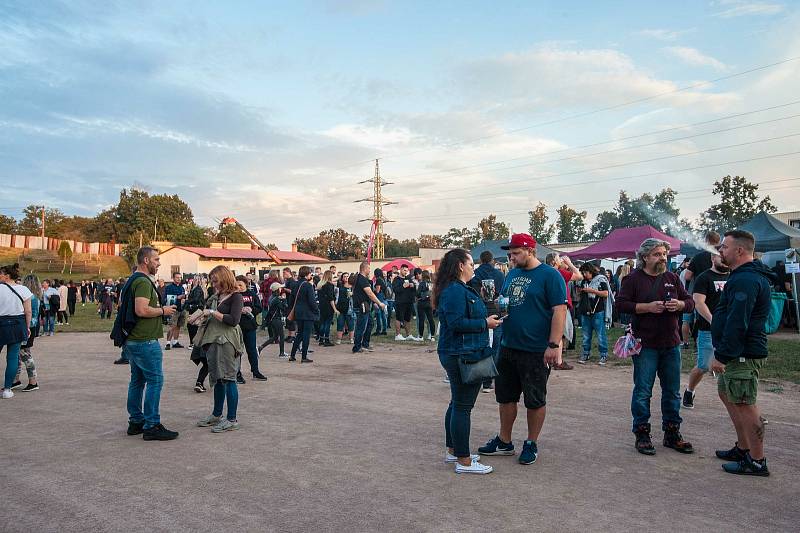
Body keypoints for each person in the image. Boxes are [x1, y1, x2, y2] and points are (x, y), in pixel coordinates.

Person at [478, 234, 567, 466]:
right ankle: (504, 441)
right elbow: (507, 302)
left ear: (530, 250)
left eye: (516, 252)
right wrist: (497, 304)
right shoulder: (512, 274)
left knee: (534, 399)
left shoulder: (550, 275)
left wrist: (554, 345)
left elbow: (559, 310)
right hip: (509, 345)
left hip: (535, 349)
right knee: (505, 397)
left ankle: (531, 442)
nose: (512, 257)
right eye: (510, 253)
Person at [615, 238, 695, 456]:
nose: (662, 258)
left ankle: (672, 433)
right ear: (645, 257)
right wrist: (646, 307)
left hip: (671, 343)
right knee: (643, 391)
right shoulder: (633, 279)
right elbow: (620, 305)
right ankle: (642, 434)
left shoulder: (671, 278)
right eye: (658, 254)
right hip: (645, 344)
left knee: (672, 392)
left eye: (664, 254)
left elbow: (690, 302)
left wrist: (679, 304)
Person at [710, 230, 774, 476]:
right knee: (728, 394)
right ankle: (743, 448)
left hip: (743, 353)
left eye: (724, 247)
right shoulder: (741, 276)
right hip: (736, 352)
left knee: (745, 402)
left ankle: (757, 461)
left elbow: (739, 321)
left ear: (739, 250)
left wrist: (722, 355)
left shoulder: (746, 279)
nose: (720, 251)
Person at [435, 249, 502, 474]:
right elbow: (456, 323)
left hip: (461, 351)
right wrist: (485, 323)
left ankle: (454, 451)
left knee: (457, 404)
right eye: (470, 263)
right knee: (463, 407)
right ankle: (463, 460)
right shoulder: (455, 290)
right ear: (460, 266)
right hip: (461, 354)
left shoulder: (457, 288)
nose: (474, 266)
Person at [120, 247, 179, 440]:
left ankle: (136, 421)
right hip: (144, 340)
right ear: (146, 260)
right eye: (156, 259)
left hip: (133, 340)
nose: (159, 263)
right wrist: (163, 310)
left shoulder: (132, 280)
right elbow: (142, 310)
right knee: (155, 380)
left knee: (137, 381)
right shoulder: (143, 282)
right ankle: (151, 424)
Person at [196, 266, 245, 433]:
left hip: (228, 343)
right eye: (212, 281)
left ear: (225, 278)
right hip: (214, 342)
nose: (213, 284)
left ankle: (232, 419)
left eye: (216, 280)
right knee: (217, 379)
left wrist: (212, 312)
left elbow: (234, 320)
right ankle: (216, 415)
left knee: (229, 379)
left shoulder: (236, 297)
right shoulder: (216, 296)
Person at [683, 252, 729, 409]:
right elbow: (698, 302)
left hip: (730, 331)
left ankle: (744, 405)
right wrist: (713, 321)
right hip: (707, 330)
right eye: (719, 256)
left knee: (735, 367)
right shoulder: (704, 277)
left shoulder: (734, 276)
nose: (723, 259)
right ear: (712, 258)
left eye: (725, 256)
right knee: (703, 366)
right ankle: (690, 390)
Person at [469, 251, 506, 392]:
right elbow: (503, 293)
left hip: (480, 313)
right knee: (496, 346)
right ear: (493, 260)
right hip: (496, 313)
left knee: (481, 345)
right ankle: (489, 380)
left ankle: (481, 378)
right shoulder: (499, 275)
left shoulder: (474, 274)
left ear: (481, 260)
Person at [1, 263, 33, 399]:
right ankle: (7, 389)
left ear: (7, 276)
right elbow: (28, 311)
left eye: (1, 273)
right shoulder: (24, 289)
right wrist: (27, 326)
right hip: (18, 324)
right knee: (13, 357)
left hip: (1, 323)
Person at [544, 252, 580, 370]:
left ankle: (554, 360)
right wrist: (569, 263)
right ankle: (558, 361)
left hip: (547, 307)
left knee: (552, 333)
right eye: (558, 259)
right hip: (560, 306)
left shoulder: (545, 273)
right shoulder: (559, 272)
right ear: (553, 261)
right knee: (559, 334)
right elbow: (579, 276)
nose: (561, 261)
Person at [576, 263, 610, 365]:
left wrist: (592, 291)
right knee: (586, 334)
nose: (584, 274)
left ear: (590, 271)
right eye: (583, 272)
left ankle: (603, 354)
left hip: (598, 311)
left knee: (600, 334)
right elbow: (580, 295)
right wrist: (580, 292)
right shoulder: (583, 281)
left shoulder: (600, 279)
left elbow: (606, 293)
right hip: (585, 310)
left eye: (585, 272)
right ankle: (586, 353)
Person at [235, 275, 267, 382]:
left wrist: (251, 309)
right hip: (237, 327)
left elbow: (259, 308)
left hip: (250, 326)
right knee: (237, 351)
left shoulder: (252, 294)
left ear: (245, 284)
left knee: (252, 350)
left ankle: (255, 371)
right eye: (236, 285)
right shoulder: (234, 295)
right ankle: (237, 373)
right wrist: (239, 309)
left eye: (240, 285)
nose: (238, 287)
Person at [13, 274, 41, 391]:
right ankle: (16, 379)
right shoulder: (36, 296)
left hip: (27, 327)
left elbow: (27, 313)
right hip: (31, 326)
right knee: (19, 354)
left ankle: (33, 381)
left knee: (25, 354)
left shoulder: (30, 297)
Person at [352, 262, 387, 354]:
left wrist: (374, 303)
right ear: (364, 269)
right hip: (362, 306)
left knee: (369, 324)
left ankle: (365, 344)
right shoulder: (362, 279)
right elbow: (370, 293)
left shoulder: (361, 279)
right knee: (361, 327)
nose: (370, 270)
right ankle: (357, 347)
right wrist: (379, 303)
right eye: (369, 268)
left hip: (366, 306)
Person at [289, 266, 318, 363]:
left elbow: (291, 300)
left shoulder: (295, 284)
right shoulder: (308, 286)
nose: (311, 275)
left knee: (299, 334)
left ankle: (292, 355)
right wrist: (316, 310)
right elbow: (312, 301)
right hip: (308, 313)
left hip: (298, 312)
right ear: (307, 274)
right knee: (306, 335)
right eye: (310, 273)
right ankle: (304, 356)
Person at [259, 282, 288, 357]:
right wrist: (284, 300)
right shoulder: (277, 299)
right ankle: (282, 353)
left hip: (272, 319)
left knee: (275, 337)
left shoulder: (271, 297)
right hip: (276, 319)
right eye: (280, 288)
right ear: (277, 289)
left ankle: (260, 347)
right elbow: (284, 308)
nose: (281, 289)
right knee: (281, 336)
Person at [392, 265, 418, 341]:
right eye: (404, 270)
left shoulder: (408, 278)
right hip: (400, 302)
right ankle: (398, 335)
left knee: (407, 318)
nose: (406, 272)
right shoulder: (396, 279)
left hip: (409, 301)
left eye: (407, 270)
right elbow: (395, 290)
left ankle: (408, 334)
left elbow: (414, 289)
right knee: (399, 318)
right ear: (401, 270)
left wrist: (413, 286)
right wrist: (403, 286)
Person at [163, 272, 187, 350]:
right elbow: (166, 298)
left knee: (178, 326)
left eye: (180, 277)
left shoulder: (182, 287)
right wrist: (177, 297)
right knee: (172, 326)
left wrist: (184, 298)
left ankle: (175, 342)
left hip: (181, 309)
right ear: (173, 278)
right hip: (173, 310)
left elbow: (183, 297)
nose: (179, 279)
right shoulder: (169, 287)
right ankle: (168, 343)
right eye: (177, 277)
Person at [317, 270, 337, 347]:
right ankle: (326, 340)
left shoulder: (320, 284)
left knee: (322, 322)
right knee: (327, 323)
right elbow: (331, 298)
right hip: (328, 306)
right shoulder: (329, 285)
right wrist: (334, 308)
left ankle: (321, 339)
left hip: (322, 306)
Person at [335, 273, 355, 345]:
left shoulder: (352, 287)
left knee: (351, 324)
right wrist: (338, 277)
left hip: (349, 308)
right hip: (340, 308)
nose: (346, 278)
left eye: (347, 276)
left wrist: (353, 294)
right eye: (344, 276)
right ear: (342, 278)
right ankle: (339, 339)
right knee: (340, 324)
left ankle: (351, 339)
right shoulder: (340, 286)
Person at [416, 270, 436, 341]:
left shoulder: (421, 283)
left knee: (421, 319)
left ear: (423, 275)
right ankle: (432, 336)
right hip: (429, 303)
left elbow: (418, 294)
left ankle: (421, 336)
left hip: (421, 303)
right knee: (431, 319)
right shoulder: (432, 284)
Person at [372, 268, 389, 336]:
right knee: (383, 315)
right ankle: (384, 330)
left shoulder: (378, 280)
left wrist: (372, 291)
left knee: (378, 314)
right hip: (384, 298)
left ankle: (378, 330)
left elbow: (377, 290)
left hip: (379, 298)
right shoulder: (383, 280)